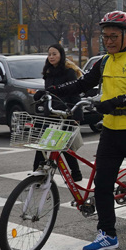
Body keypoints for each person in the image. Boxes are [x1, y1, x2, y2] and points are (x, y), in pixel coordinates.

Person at [48, 11, 126, 250]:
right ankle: (107, 234)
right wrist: (53, 90)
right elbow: (82, 83)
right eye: (105, 37)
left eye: (114, 36)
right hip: (110, 131)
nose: (109, 41)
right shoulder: (103, 61)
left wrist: (113, 103)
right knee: (103, 184)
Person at [32, 43, 84, 185]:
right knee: (44, 144)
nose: (51, 57)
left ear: (61, 55)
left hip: (66, 113)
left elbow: (75, 94)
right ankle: (38, 172)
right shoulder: (48, 72)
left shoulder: (68, 72)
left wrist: (76, 116)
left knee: (65, 146)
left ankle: (76, 173)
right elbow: (48, 92)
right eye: (49, 54)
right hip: (51, 113)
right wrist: (39, 96)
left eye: (54, 54)